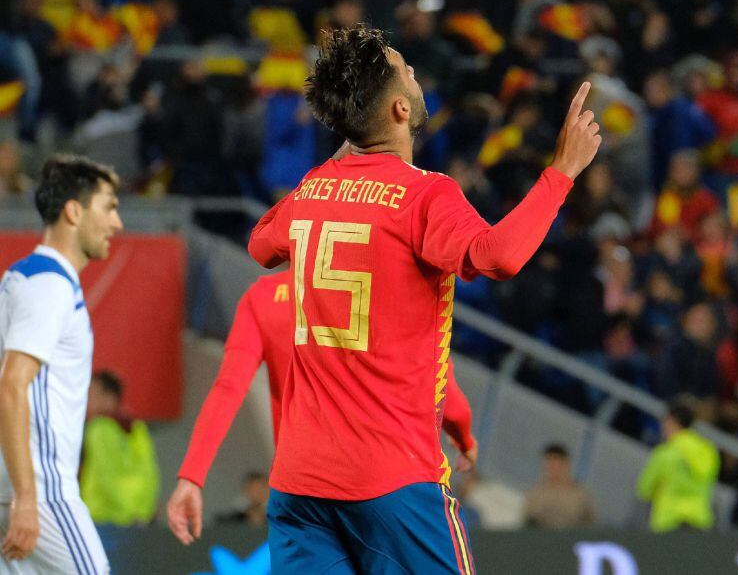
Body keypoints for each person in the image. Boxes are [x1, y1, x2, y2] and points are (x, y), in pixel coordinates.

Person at [246, 25, 601, 573]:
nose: (416, 78)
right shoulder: (424, 195)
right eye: (406, 71)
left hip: (299, 487)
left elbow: (260, 243)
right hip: (390, 481)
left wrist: (346, 149)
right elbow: (497, 255)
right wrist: (562, 172)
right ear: (397, 109)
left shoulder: (314, 187)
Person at [166, 270, 479, 545]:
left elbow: (229, 388)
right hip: (381, 486)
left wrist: (191, 477)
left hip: (301, 491)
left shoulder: (262, 298)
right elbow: (439, 382)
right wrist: (464, 438)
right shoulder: (384, 290)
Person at [0, 155, 123, 571]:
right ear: (74, 211)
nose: (117, 223)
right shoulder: (50, 285)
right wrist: (28, 497)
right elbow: (12, 384)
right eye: (108, 207)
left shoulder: (21, 277)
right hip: (42, 489)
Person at [79, 371, 159, 526]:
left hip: (101, 517)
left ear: (109, 397)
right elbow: (150, 473)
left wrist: (126, 514)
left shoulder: (98, 427)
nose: (86, 400)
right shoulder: (137, 426)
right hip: (137, 518)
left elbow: (105, 474)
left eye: (91, 394)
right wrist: (141, 512)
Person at [635, 399, 720, 532]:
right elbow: (709, 477)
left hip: (669, 523)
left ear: (671, 421)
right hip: (699, 522)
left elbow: (645, 490)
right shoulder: (708, 451)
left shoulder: (664, 453)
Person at [523, 444, 596, 530]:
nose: (551, 467)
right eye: (548, 462)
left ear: (565, 464)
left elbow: (590, 525)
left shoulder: (580, 496)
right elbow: (528, 522)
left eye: (555, 462)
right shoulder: (536, 494)